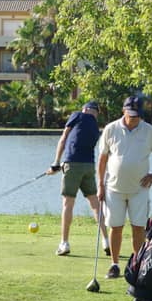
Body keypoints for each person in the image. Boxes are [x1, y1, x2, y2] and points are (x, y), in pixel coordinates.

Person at [96, 96, 152, 279]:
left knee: (138, 227)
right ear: (123, 111)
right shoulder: (111, 129)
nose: (134, 118)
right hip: (113, 188)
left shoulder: (149, 131)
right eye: (131, 115)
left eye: (137, 115)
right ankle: (114, 265)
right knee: (116, 226)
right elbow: (103, 158)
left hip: (139, 188)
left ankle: (138, 265)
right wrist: (100, 184)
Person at [49, 101, 108, 256]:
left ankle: (64, 243)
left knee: (68, 203)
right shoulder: (96, 127)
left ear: (86, 109)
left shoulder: (77, 115)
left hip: (72, 164)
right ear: (95, 112)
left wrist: (56, 163)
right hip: (89, 166)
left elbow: (64, 138)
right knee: (95, 203)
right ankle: (106, 240)